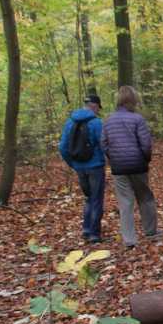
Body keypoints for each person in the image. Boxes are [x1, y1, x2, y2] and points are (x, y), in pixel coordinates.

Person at [100, 86, 163, 249]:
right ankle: (150, 231)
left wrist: (113, 158)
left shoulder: (108, 121)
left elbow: (104, 144)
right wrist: (145, 159)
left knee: (125, 203)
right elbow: (145, 144)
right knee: (145, 198)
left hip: (119, 168)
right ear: (133, 99)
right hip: (138, 165)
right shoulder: (137, 119)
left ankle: (129, 239)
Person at [60, 94, 106, 243]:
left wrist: (73, 164)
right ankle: (94, 235)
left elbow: (63, 147)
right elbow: (103, 145)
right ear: (95, 106)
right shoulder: (97, 123)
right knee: (96, 199)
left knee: (89, 199)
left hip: (79, 167)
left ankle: (86, 230)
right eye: (98, 107)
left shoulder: (69, 122)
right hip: (95, 167)